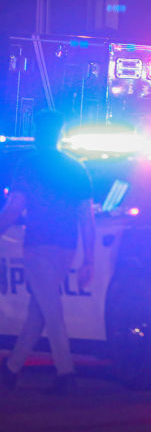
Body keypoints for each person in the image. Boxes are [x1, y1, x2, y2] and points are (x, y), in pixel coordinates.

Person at [0, 110, 96, 394]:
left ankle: (65, 372)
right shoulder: (77, 169)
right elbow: (86, 219)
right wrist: (88, 259)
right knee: (40, 309)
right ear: (60, 133)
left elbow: (14, 208)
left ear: (37, 131)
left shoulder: (28, 165)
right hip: (66, 247)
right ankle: (11, 368)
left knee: (50, 310)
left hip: (38, 245)